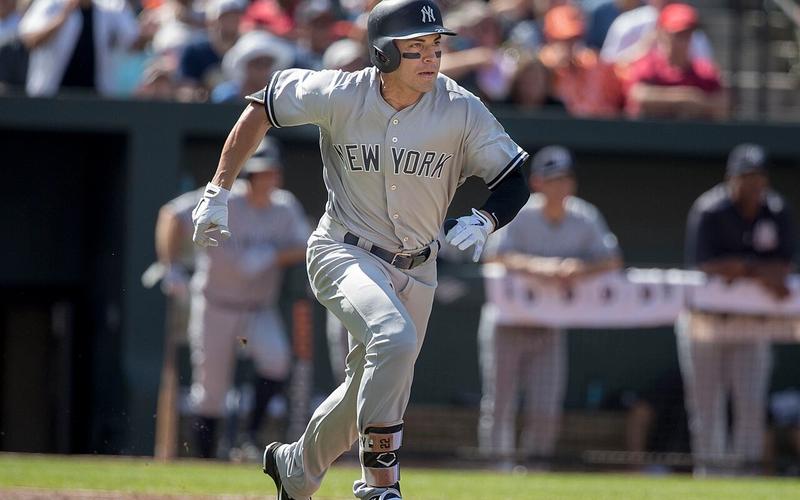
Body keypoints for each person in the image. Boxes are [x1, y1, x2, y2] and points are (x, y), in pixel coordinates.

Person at [189, 0, 531, 497]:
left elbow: (513, 177)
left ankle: (295, 468)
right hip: (344, 251)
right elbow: (263, 105)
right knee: (393, 340)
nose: (431, 57)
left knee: (367, 390)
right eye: (416, 47)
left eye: (436, 46)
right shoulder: (340, 93)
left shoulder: (460, 107)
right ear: (383, 53)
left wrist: (486, 219)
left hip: (419, 268)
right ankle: (380, 483)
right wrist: (218, 191)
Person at [157, 138, 310, 459]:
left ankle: (250, 437)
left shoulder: (284, 207)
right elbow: (171, 215)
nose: (269, 179)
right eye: (263, 173)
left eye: (273, 172)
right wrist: (171, 267)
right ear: (248, 175)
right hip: (215, 305)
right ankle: (206, 459)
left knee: (277, 359)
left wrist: (272, 255)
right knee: (211, 391)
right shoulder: (224, 200)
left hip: (258, 308)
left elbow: (307, 244)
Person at [478, 145, 622, 467]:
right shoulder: (520, 212)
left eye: (565, 179)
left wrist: (579, 268)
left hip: (550, 325)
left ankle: (536, 468)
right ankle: (494, 468)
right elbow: (493, 256)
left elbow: (612, 260)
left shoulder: (584, 215)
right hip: (508, 322)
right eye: (553, 179)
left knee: (545, 405)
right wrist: (538, 266)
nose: (560, 185)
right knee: (499, 402)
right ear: (538, 183)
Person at [678, 143, 796, 475]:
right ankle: (711, 478)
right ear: (731, 178)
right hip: (707, 322)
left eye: (758, 176)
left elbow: (784, 269)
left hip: (753, 324)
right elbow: (706, 266)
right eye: (746, 177)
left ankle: (746, 478)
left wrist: (741, 269)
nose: (753, 184)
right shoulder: (710, 210)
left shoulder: (776, 210)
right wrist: (756, 269)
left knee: (751, 405)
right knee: (706, 407)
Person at [18, 0, 153, 97]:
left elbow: (133, 43)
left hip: (95, 99)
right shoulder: (51, 4)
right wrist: (62, 16)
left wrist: (148, 34)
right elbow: (30, 40)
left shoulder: (110, 8)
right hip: (51, 96)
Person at [622, 3, 726, 120]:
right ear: (662, 33)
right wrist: (682, 98)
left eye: (688, 33)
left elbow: (723, 104)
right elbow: (637, 95)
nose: (684, 40)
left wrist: (698, 104)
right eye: (678, 34)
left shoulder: (705, 70)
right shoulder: (648, 65)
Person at [537, 4, 624, 118]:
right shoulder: (542, 67)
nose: (570, 45)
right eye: (563, 39)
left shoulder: (593, 63)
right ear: (549, 38)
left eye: (574, 39)